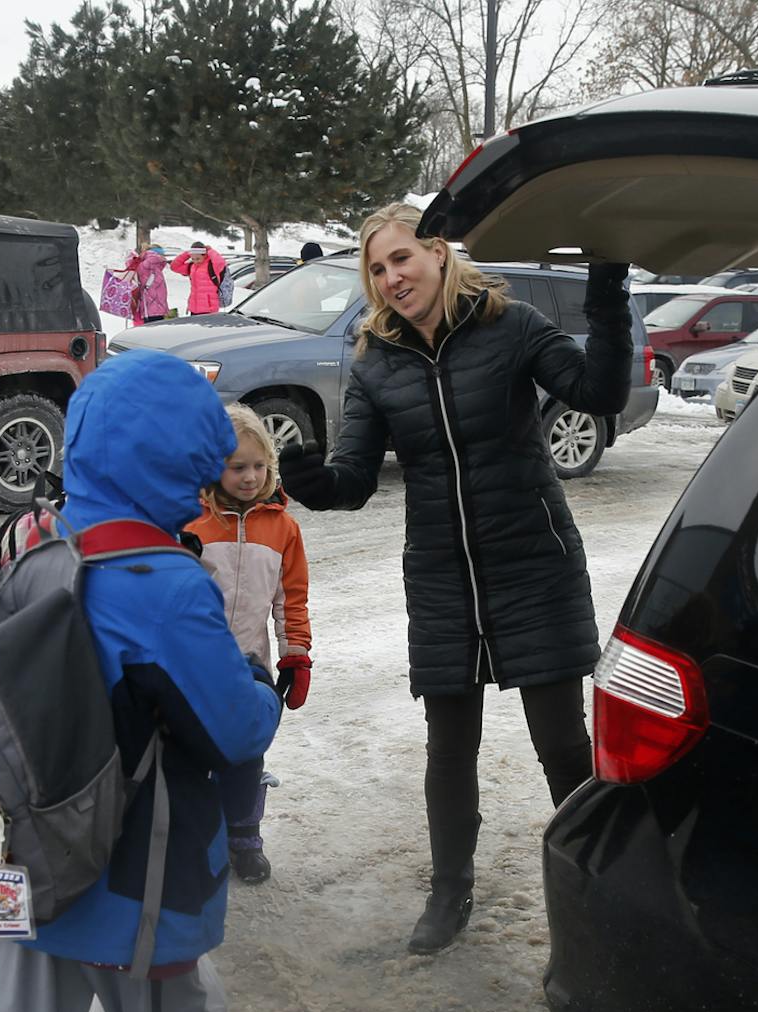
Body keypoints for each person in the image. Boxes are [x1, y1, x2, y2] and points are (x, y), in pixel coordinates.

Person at [0, 350, 291, 1012]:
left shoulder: (36, 544)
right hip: (128, 866)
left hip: (26, 849)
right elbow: (236, 729)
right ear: (176, 455)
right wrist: (262, 684)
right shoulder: (161, 579)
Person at [278, 202, 632, 955]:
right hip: (442, 573)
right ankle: (449, 889)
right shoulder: (376, 362)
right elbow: (355, 478)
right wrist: (315, 482)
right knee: (449, 745)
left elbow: (597, 393)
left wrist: (607, 293)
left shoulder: (513, 325)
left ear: (438, 251)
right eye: (378, 268)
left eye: (401, 258)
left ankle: (598, 886)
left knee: (561, 741)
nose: (391, 277)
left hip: (533, 562)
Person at [181, 404, 312, 884]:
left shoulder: (283, 528)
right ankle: (197, 839)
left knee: (245, 752)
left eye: (259, 466)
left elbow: (290, 598)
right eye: (237, 467)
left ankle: (244, 835)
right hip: (192, 665)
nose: (250, 477)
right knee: (192, 756)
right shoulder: (190, 522)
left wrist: (295, 655)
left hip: (248, 665)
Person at [171, 241, 229, 316]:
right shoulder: (191, 266)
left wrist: (210, 251)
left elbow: (220, 263)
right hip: (194, 308)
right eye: (193, 259)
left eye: (198, 258)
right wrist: (187, 253)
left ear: (204, 255)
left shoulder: (212, 266)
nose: (195, 261)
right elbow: (174, 266)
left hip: (209, 309)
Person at [122, 242, 169, 326]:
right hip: (154, 308)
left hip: (150, 308)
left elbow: (131, 268)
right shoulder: (151, 264)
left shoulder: (149, 265)